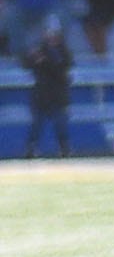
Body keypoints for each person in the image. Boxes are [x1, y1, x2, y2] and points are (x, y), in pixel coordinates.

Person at [19, 22, 71, 158]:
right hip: (41, 94)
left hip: (57, 95)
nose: (52, 37)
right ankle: (31, 149)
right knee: (36, 124)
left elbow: (61, 70)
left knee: (60, 124)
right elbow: (25, 63)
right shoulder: (39, 50)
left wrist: (45, 61)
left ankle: (64, 149)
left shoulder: (63, 51)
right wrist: (32, 56)